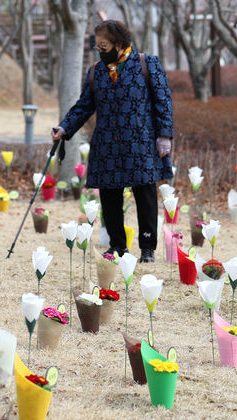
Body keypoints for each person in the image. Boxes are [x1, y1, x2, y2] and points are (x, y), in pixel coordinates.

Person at [51, 20, 174, 263]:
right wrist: (65, 127)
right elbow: (85, 105)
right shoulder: (96, 71)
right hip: (107, 144)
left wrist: (164, 136)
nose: (100, 51)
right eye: (97, 47)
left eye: (104, 46)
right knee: (109, 196)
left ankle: (148, 248)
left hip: (141, 142)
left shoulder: (147, 64)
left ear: (119, 43)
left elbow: (164, 102)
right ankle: (118, 246)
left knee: (145, 193)